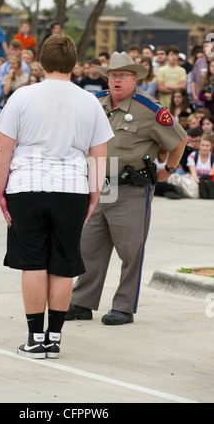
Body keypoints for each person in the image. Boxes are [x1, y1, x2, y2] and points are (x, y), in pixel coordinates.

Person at [0, 34, 113, 359]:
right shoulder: (90, 101)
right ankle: (54, 338)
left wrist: (0, 191)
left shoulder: (22, 96)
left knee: (32, 261)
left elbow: (3, 149)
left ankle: (34, 339)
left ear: (42, 61)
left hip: (26, 185)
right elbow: (100, 155)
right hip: (72, 187)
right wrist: (94, 196)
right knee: (63, 263)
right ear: (74, 64)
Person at [66, 51, 187, 325]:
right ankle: (82, 302)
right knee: (89, 246)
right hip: (98, 186)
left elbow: (179, 140)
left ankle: (123, 306)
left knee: (130, 250)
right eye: (112, 75)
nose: (116, 80)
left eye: (122, 75)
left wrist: (168, 170)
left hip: (131, 188)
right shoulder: (94, 103)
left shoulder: (149, 110)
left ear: (134, 79)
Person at [187, 133, 214, 199]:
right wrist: (200, 183)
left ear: (211, 146)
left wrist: (207, 183)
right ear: (199, 145)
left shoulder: (213, 157)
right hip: (197, 181)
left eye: (207, 146)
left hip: (209, 180)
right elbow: (194, 175)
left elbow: (211, 174)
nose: (204, 148)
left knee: (210, 182)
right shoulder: (193, 156)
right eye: (203, 145)